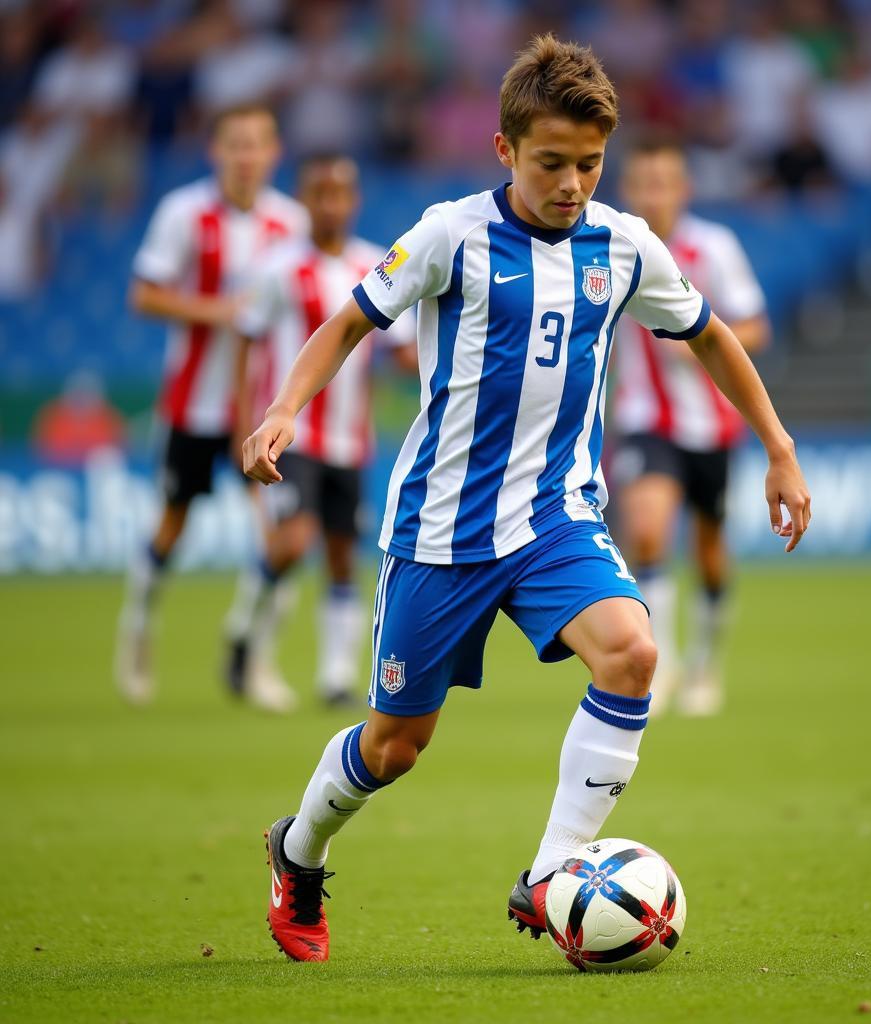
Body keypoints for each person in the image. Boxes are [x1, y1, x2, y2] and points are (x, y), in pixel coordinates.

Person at [243, 35, 810, 963]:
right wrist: (283, 409)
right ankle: (297, 850)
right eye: (552, 162)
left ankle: (550, 872)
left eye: (590, 163)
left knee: (630, 652)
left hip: (556, 519)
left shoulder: (623, 244)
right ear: (506, 150)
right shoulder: (447, 235)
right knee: (393, 748)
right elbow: (349, 319)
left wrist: (779, 448)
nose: (573, 183)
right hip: (440, 531)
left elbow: (709, 336)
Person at [115, 103, 307, 710]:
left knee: (279, 539)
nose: (245, 156)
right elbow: (143, 294)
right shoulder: (183, 213)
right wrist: (220, 310)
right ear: (215, 152)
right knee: (172, 525)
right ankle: (139, 628)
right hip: (193, 405)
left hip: (260, 409)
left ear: (274, 154)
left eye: (256, 145)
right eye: (235, 144)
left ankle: (254, 658)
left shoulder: (292, 223)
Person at [226, 154, 416, 707]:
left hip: (350, 442)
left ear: (354, 200)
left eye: (341, 194)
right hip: (295, 437)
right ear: (304, 200)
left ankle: (335, 677)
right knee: (293, 541)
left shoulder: (374, 264)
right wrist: (248, 422)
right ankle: (245, 633)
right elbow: (246, 343)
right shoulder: (277, 268)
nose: (331, 204)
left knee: (340, 553)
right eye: (320, 194)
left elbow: (400, 350)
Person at [612, 139, 771, 716]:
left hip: (713, 427)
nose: (654, 194)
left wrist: (703, 337)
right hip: (645, 420)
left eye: (665, 182)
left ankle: (705, 662)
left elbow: (755, 329)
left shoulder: (714, 248)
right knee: (649, 532)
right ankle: (663, 665)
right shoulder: (611, 244)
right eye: (644, 182)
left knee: (708, 549)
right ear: (628, 190)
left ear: (685, 189)